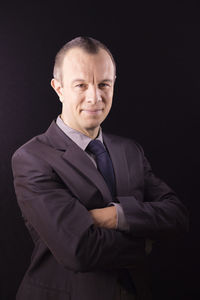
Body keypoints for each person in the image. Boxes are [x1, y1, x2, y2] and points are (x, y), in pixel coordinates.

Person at [12, 36, 188, 300]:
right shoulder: (32, 158)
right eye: (81, 85)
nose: (94, 96)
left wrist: (115, 216)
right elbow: (80, 250)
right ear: (58, 88)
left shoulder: (130, 150)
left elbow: (177, 216)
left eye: (103, 84)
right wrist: (148, 242)